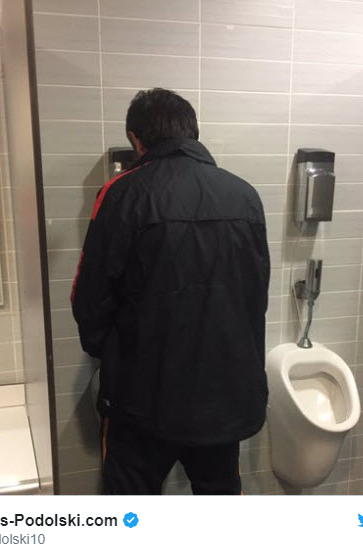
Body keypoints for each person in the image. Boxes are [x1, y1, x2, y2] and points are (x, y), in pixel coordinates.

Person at [71, 88, 270, 495]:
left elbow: (89, 297)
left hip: (143, 396)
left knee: (129, 509)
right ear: (192, 132)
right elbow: (256, 294)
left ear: (136, 139)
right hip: (222, 394)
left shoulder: (122, 193)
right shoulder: (245, 195)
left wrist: (110, 353)